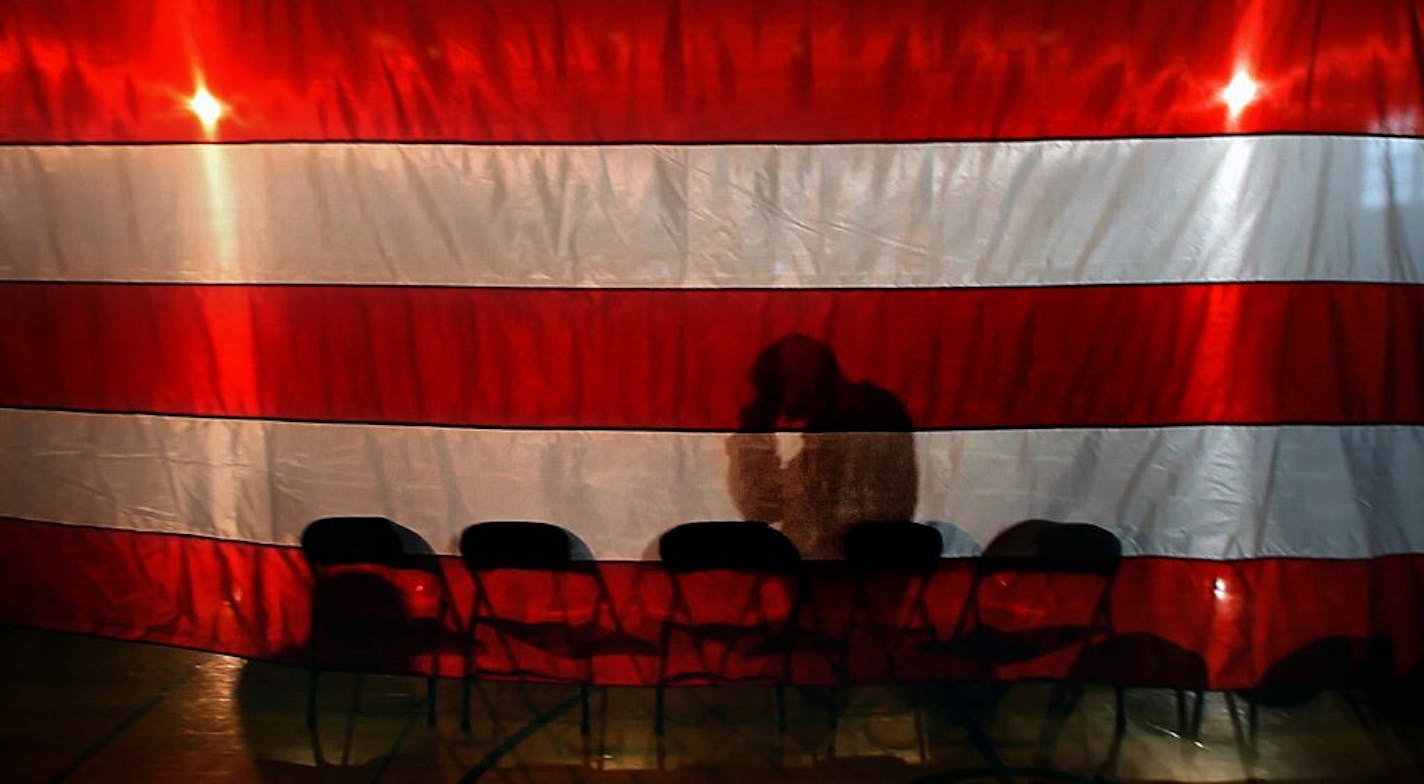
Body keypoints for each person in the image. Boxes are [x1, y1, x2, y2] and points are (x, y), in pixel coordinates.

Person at [726, 334, 917, 558]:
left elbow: (764, 505)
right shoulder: (866, 412)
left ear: (799, 380)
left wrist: (753, 435)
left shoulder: (849, 423)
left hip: (838, 573)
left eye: (773, 386)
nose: (773, 400)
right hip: (867, 569)